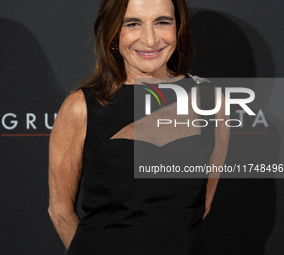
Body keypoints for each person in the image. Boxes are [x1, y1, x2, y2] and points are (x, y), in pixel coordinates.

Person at [48, 0, 229, 254]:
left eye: (162, 22)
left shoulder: (211, 102)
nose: (151, 39)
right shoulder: (80, 107)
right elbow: (60, 211)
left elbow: (202, 203)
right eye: (133, 23)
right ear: (114, 33)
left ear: (179, 28)